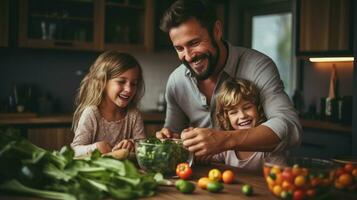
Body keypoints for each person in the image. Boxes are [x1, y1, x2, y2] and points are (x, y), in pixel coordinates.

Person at [156, 0, 301, 158]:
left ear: (217, 31)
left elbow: (290, 128)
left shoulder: (258, 66)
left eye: (194, 43)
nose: (189, 56)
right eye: (179, 48)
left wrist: (224, 140)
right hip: (204, 179)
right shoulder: (176, 81)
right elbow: (174, 135)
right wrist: (169, 138)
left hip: (257, 177)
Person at [71, 51, 146, 156]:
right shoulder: (91, 113)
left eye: (134, 84)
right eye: (121, 81)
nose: (129, 89)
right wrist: (95, 148)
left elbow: (144, 148)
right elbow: (74, 151)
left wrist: (133, 144)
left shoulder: (133, 115)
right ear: (103, 82)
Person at [212, 78, 285, 170]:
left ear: (257, 107)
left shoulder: (267, 144)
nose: (242, 116)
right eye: (233, 112)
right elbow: (208, 159)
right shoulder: (226, 146)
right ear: (227, 117)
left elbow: (281, 174)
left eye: (247, 107)